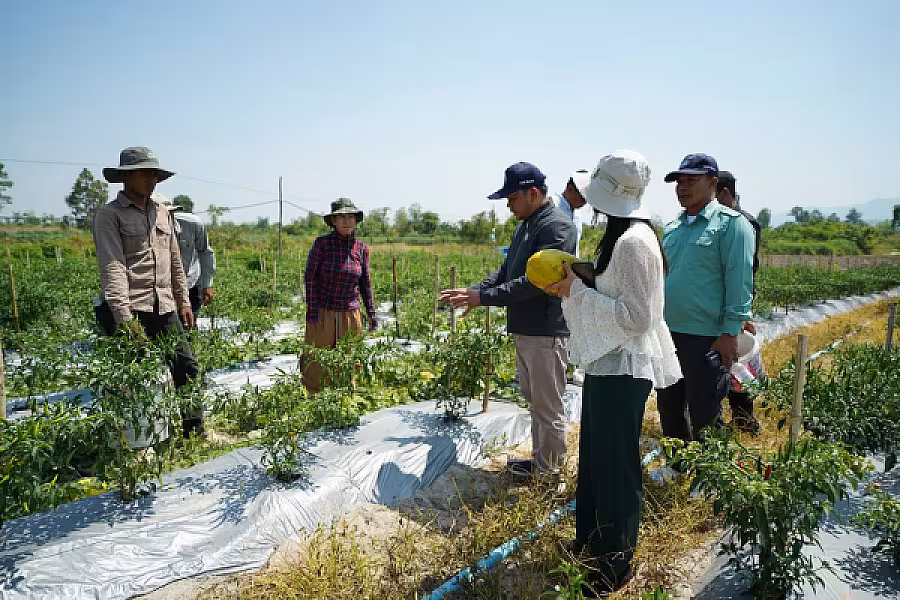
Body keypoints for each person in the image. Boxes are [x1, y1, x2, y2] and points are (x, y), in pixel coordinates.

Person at [547, 150, 681, 595]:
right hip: (608, 365)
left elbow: (638, 316)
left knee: (616, 465)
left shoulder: (634, 243)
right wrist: (581, 275)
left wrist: (577, 291)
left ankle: (615, 562)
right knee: (595, 458)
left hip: (624, 369)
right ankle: (590, 539)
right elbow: (615, 286)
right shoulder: (622, 236)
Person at [440, 162, 576, 477]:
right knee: (535, 401)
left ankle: (550, 475)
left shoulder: (557, 228)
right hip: (526, 329)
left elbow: (534, 283)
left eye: (512, 198)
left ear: (533, 193)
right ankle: (541, 464)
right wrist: (474, 292)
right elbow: (506, 273)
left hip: (545, 331)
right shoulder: (525, 226)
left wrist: (483, 298)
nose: (508, 205)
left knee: (548, 407)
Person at [92, 146, 203, 438]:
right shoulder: (109, 215)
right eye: (146, 174)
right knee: (134, 378)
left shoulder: (162, 212)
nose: (152, 180)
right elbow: (113, 266)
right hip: (131, 308)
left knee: (186, 367)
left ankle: (193, 433)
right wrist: (124, 318)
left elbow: (175, 260)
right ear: (126, 177)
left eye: (155, 174)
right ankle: (135, 444)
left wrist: (184, 302)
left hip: (163, 306)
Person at [656, 154, 755, 442]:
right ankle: (678, 463)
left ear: (713, 182)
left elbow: (739, 280)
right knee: (670, 407)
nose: (682, 187)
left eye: (691, 180)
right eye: (679, 182)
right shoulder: (674, 227)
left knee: (706, 413)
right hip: (668, 334)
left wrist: (729, 332)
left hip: (705, 337)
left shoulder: (731, 225)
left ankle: (710, 469)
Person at [303, 197, 377, 393]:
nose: (347, 221)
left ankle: (345, 396)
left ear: (356, 220)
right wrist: (312, 311)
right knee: (318, 358)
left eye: (351, 217)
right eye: (341, 217)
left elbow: (365, 283)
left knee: (348, 358)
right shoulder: (322, 244)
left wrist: (371, 313)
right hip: (323, 311)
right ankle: (316, 398)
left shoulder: (361, 248)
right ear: (333, 221)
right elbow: (310, 278)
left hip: (350, 312)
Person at [716, 171, 762, 434]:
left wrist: (741, 313)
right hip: (719, 307)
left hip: (733, 307)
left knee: (736, 362)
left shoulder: (743, 223)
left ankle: (745, 422)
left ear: (723, 192)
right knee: (726, 364)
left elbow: (744, 273)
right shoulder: (721, 222)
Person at [163, 199, 216, 321]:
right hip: (164, 287)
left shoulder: (192, 224)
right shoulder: (146, 229)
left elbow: (205, 252)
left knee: (190, 322)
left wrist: (207, 285)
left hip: (191, 282)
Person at [551, 170, 589, 256]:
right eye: (583, 197)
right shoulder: (552, 205)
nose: (585, 202)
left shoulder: (578, 214)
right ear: (570, 189)